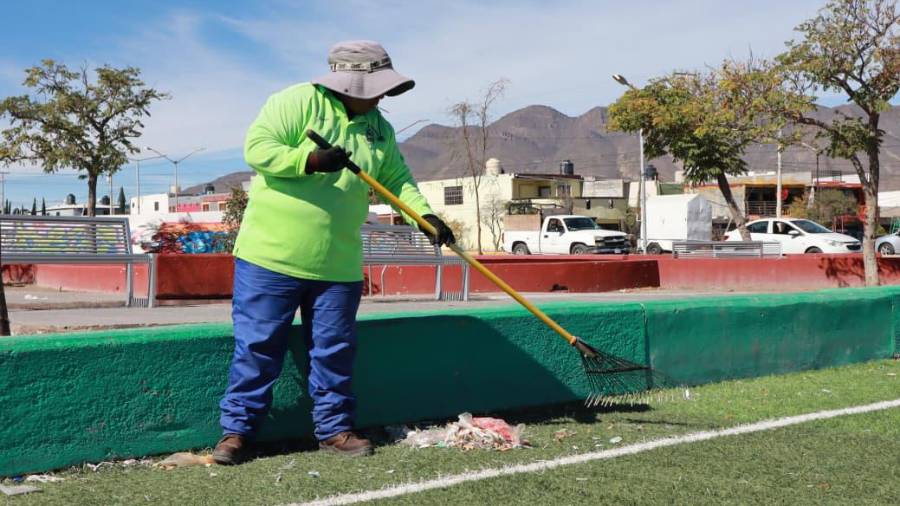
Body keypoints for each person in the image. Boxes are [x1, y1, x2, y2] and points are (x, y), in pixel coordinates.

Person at [213, 40, 455, 465]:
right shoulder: (294, 102)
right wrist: (309, 159)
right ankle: (237, 432)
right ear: (350, 83)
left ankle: (334, 429)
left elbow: (396, 178)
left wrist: (424, 215)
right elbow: (258, 148)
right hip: (271, 257)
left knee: (335, 348)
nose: (381, 96)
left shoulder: (379, 127)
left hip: (339, 262)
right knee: (257, 347)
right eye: (375, 88)